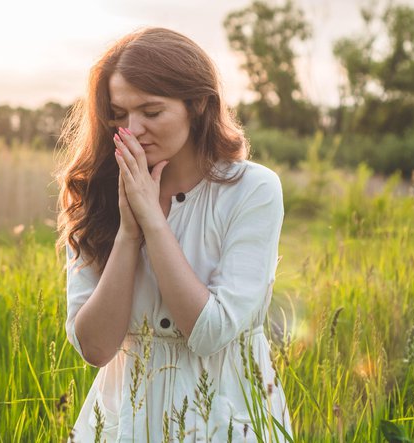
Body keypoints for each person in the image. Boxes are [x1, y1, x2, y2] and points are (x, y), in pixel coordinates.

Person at [55, 27, 292, 441]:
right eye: (119, 113)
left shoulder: (252, 190)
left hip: (224, 414)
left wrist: (153, 221)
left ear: (198, 104)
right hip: (123, 422)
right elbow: (95, 348)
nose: (132, 129)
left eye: (151, 112)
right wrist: (129, 234)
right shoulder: (95, 195)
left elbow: (210, 333)